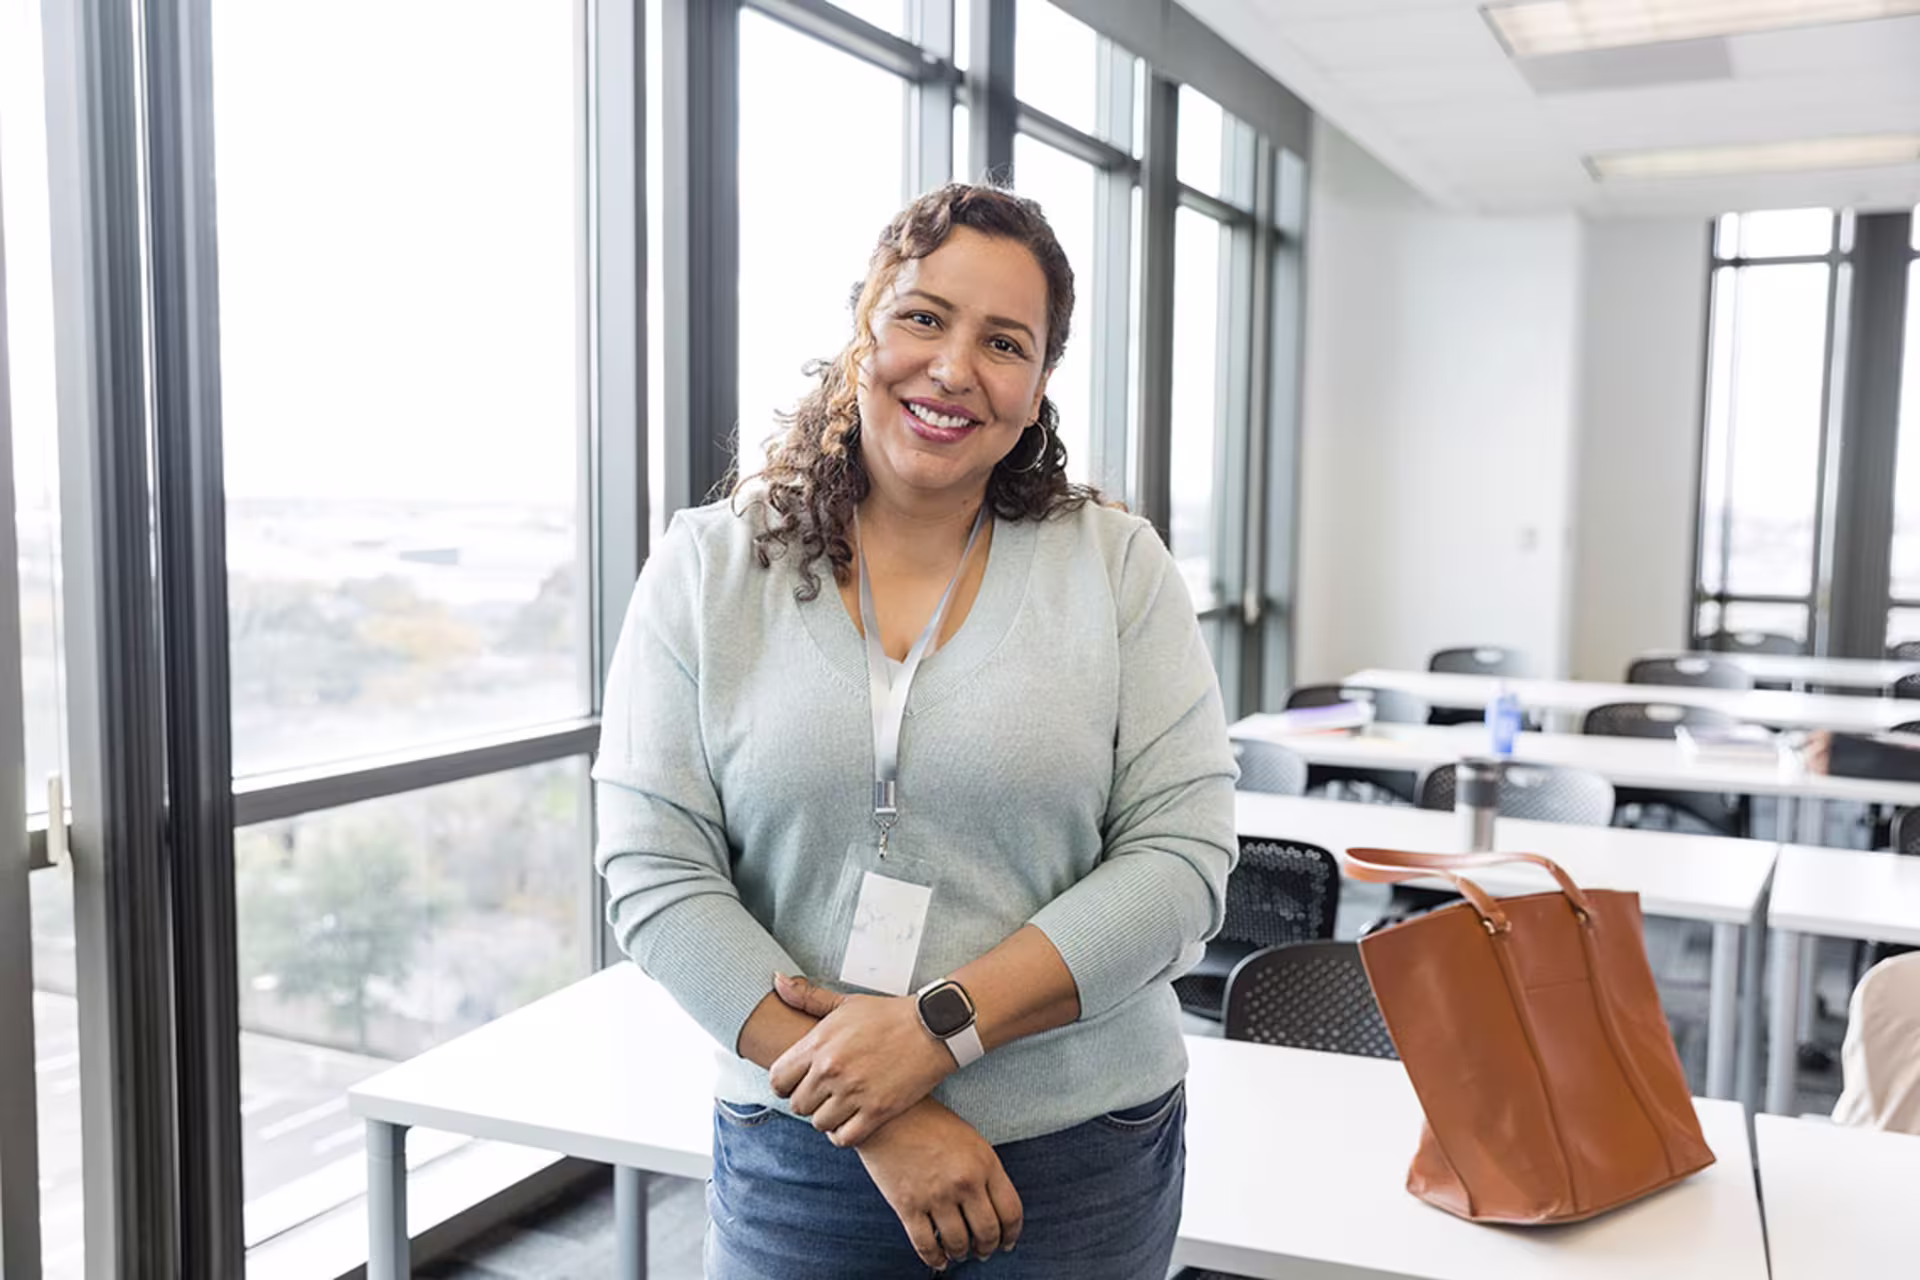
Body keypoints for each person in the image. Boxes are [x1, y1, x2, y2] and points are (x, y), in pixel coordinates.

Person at [593, 182, 1237, 1278]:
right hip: (801, 1154)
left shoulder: (1118, 568)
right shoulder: (708, 568)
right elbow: (654, 871)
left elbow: (1182, 866)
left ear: (1037, 392)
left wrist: (938, 1026)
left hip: (1080, 1155)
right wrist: (877, 1109)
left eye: (1003, 342)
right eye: (924, 317)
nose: (952, 369)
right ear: (864, 332)